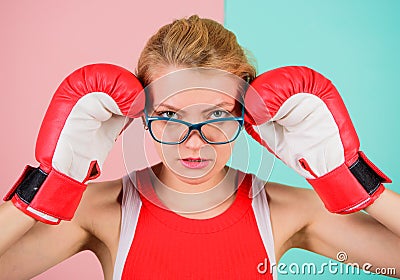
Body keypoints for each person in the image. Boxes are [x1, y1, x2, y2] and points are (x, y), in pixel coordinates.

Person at [0, 15, 399, 280]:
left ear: (247, 115)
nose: (194, 142)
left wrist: (350, 178)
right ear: (141, 113)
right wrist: (49, 183)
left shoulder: (284, 210)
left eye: (216, 116)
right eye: (171, 116)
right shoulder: (102, 210)